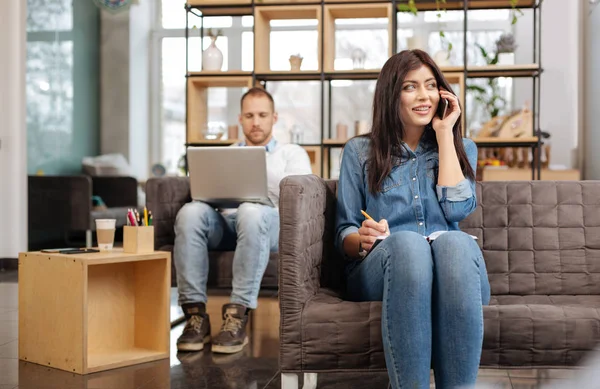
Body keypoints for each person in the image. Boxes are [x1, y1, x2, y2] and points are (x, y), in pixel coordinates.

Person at [335, 50, 491, 389]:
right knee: (407, 244)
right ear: (392, 95)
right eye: (410, 87)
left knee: (453, 241)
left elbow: (457, 212)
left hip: (454, 274)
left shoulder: (462, 147)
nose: (424, 96)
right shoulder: (359, 152)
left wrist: (446, 135)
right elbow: (343, 231)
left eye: (431, 85)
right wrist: (359, 238)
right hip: (386, 269)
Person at [175, 87, 313, 354]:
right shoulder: (225, 154)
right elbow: (206, 194)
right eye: (249, 115)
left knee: (251, 211)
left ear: (274, 118)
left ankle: (237, 314)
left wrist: (257, 171)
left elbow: (302, 198)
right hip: (227, 224)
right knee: (190, 213)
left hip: (269, 225)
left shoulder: (291, 153)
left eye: (262, 115)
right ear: (240, 119)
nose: (256, 122)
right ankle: (195, 316)